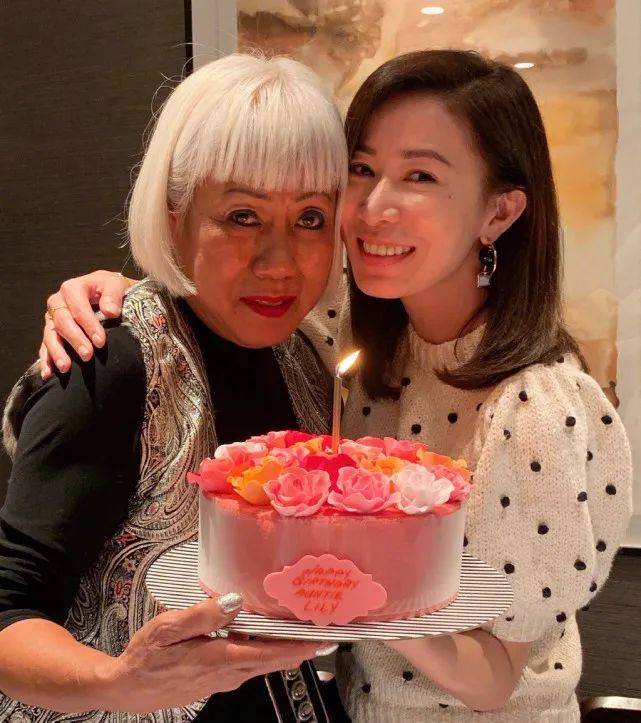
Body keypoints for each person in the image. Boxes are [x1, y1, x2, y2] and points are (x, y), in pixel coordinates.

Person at [35, 50, 633, 722]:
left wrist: (368, 585)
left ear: (498, 212)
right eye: (363, 170)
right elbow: (215, 299)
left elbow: (494, 681)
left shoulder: (532, 407)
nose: (373, 207)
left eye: (420, 175)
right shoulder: (347, 340)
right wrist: (122, 298)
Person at [0, 52, 348, 721]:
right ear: (175, 214)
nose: (280, 262)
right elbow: (8, 608)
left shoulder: (307, 356)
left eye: (310, 217)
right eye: (242, 215)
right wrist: (118, 681)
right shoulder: (112, 362)